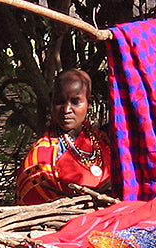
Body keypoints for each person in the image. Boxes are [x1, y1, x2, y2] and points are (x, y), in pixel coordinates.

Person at [16, 69, 112, 205]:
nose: (66, 110)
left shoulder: (104, 142)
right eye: (59, 101)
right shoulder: (41, 156)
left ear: (88, 103)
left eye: (75, 102)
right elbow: (36, 205)